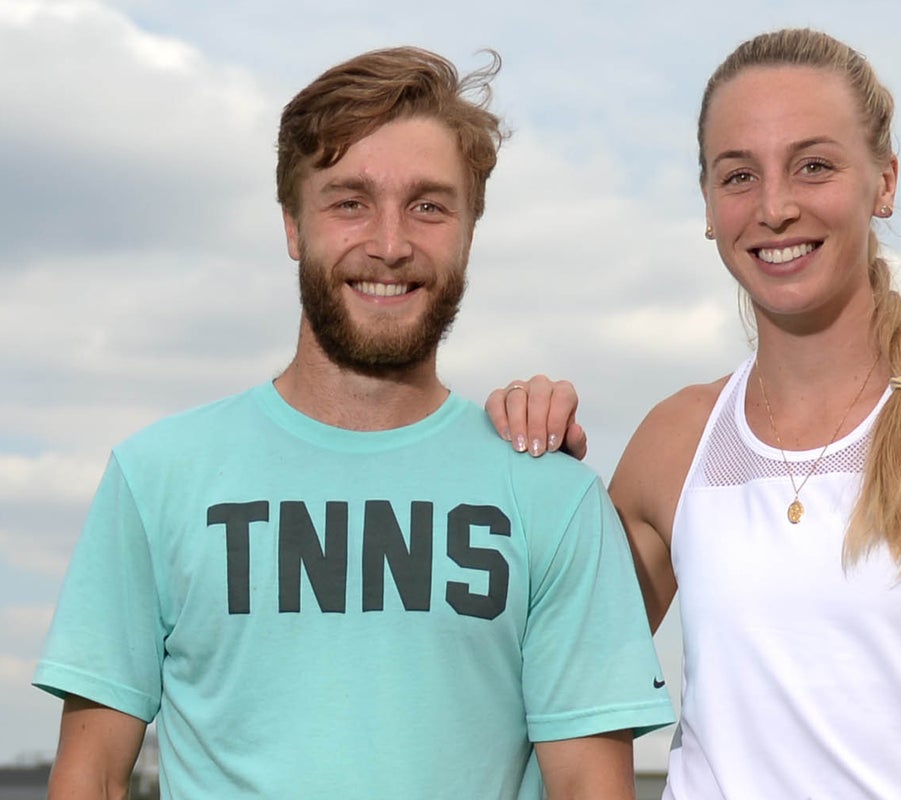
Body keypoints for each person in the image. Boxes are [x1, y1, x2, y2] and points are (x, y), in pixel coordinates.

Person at [33, 46, 673, 800]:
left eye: (429, 205)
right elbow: (93, 781)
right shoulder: (157, 478)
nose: (391, 244)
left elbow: (587, 791)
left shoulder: (553, 498)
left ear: (470, 229)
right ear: (292, 227)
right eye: (349, 202)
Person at [488, 28, 901, 799]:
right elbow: (517, 668)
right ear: (709, 205)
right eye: (739, 175)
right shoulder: (675, 440)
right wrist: (521, 455)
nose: (775, 208)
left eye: (813, 166)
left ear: (885, 181)